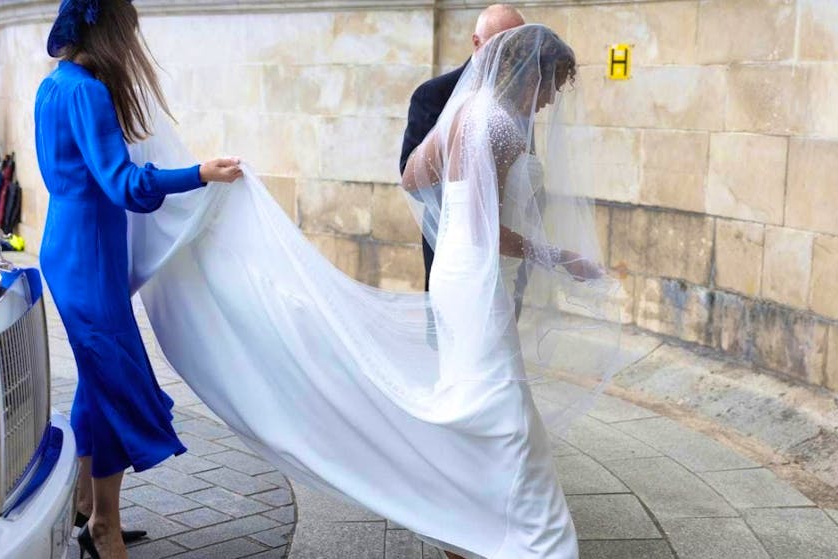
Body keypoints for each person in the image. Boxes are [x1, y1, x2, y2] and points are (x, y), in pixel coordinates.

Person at [125, 24, 625, 559]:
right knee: (498, 406)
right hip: (477, 276)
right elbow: (486, 229)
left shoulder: (465, 111)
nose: (551, 99)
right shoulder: (501, 126)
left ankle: (468, 519)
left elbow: (413, 177)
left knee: (473, 395)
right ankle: (527, 536)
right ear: (532, 73)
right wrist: (556, 256)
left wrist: (450, 218)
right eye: (553, 84)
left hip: (455, 273)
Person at [34, 1, 242, 558]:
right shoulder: (89, 92)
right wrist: (198, 173)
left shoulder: (53, 86)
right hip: (90, 256)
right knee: (113, 386)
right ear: (108, 31)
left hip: (66, 245)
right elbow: (123, 184)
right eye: (128, 32)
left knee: (96, 378)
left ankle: (85, 506)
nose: (132, 45)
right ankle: (103, 525)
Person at [400, 4, 524, 290]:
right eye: (502, 45)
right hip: (455, 251)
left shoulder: (525, 95)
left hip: (510, 255)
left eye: (518, 45)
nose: (513, 56)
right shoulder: (434, 94)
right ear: (476, 42)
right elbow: (410, 175)